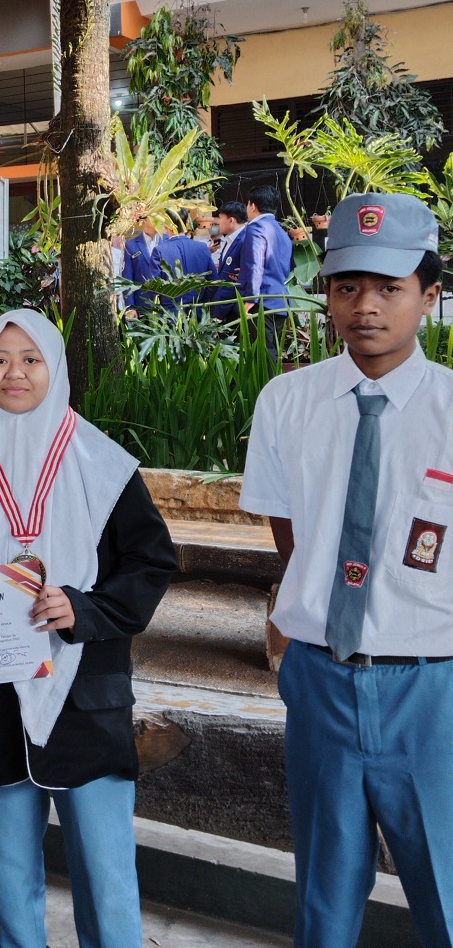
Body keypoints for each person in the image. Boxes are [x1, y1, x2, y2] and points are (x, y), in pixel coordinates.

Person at [0, 309, 177, 947]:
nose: (15, 373)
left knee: (106, 876)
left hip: (86, 696)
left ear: (55, 368)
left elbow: (150, 563)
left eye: (31, 359)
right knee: (8, 877)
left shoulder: (104, 464)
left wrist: (83, 610)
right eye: (0, 360)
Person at [240, 193, 453, 948]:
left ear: (430, 294)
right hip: (321, 682)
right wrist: (307, 641)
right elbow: (290, 539)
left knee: (446, 895)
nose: (365, 307)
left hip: (432, 690)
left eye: (390, 288)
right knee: (325, 900)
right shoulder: (286, 403)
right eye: (346, 286)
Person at [237, 184, 294, 357]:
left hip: (262, 300)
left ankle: (265, 386)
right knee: (271, 353)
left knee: (261, 356)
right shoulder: (282, 231)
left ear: (252, 205)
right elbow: (283, 265)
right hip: (280, 300)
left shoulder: (256, 228)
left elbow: (256, 264)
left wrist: (250, 299)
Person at [207, 202, 249, 322]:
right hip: (223, 306)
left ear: (231, 220)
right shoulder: (229, 240)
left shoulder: (245, 240)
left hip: (233, 308)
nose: (218, 223)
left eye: (220, 218)